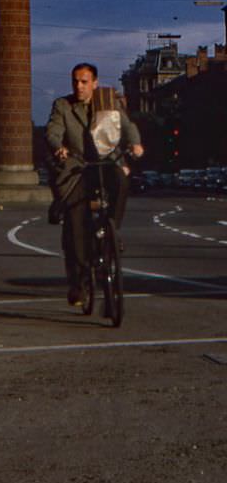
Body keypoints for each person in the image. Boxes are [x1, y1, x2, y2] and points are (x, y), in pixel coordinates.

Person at [45, 63, 143, 306]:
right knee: (76, 220)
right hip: (78, 167)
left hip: (106, 162)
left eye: (84, 81)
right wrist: (59, 147)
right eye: (75, 81)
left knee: (121, 181)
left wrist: (136, 144)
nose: (79, 86)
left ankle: (112, 229)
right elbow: (53, 130)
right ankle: (80, 282)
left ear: (95, 83)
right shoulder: (63, 106)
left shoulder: (108, 101)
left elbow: (127, 126)